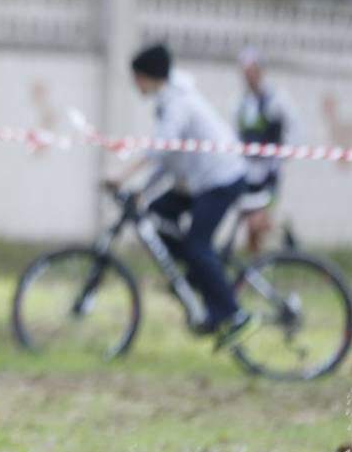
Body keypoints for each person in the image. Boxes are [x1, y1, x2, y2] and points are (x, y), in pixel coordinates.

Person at [106, 43, 256, 348]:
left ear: (148, 76)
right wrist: (141, 191)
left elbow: (161, 149)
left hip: (220, 179)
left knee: (197, 244)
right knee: (158, 215)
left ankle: (234, 313)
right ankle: (194, 277)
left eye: (136, 77)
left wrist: (122, 176)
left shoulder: (178, 104)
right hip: (198, 180)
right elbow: (171, 158)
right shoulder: (169, 98)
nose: (135, 84)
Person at [233, 47, 299, 254]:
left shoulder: (277, 99)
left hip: (269, 171)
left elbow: (296, 128)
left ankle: (283, 231)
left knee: (257, 221)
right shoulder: (239, 102)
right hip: (247, 171)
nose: (249, 76)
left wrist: (284, 155)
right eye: (246, 72)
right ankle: (255, 268)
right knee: (249, 223)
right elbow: (235, 134)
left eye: (253, 71)